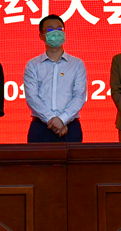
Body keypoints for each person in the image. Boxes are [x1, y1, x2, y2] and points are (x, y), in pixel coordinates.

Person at [24, 14, 87, 143]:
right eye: (50, 30)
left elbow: (79, 96)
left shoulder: (77, 64)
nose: (56, 33)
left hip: (70, 127)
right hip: (41, 127)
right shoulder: (33, 65)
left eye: (59, 29)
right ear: (41, 36)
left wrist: (62, 120)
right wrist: (52, 120)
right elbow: (32, 97)